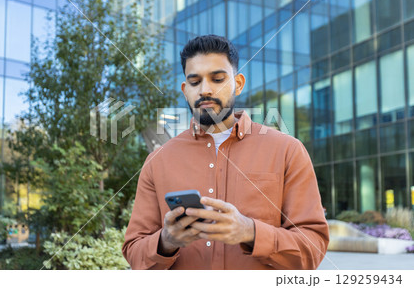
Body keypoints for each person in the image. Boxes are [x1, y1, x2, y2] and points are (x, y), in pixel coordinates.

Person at [122, 35, 329, 270]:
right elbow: (134, 252)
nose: (205, 90)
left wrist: (250, 232)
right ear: (185, 90)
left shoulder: (287, 151)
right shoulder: (157, 161)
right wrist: (166, 241)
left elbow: (313, 248)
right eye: (195, 82)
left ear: (238, 84)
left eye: (218, 79)